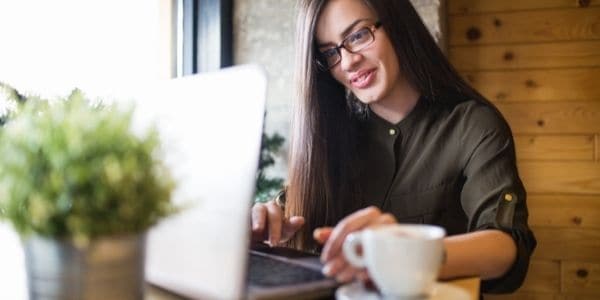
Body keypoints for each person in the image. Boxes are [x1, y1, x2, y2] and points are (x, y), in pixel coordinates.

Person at [251, 0, 536, 293]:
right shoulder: (329, 138)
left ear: (397, 24)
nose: (348, 62)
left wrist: (405, 252)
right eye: (329, 52)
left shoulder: (473, 125)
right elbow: (286, 210)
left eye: (359, 35)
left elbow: (507, 246)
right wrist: (267, 220)